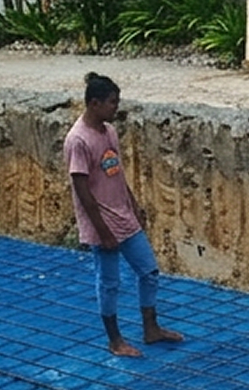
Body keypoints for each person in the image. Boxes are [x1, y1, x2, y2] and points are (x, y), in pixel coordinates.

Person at [65, 72, 182, 357]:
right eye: (111, 103)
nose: (116, 108)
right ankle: (115, 340)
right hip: (101, 222)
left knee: (149, 271)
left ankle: (150, 328)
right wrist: (102, 230)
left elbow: (115, 173)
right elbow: (82, 190)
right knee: (109, 283)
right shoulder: (78, 140)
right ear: (94, 103)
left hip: (123, 216)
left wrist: (132, 203)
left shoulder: (109, 132)